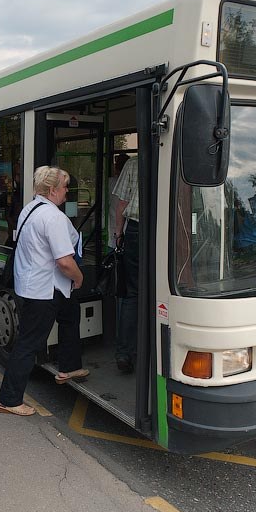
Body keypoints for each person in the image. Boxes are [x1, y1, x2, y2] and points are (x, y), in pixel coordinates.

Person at [0, 166, 87, 416]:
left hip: (40, 286)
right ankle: (8, 400)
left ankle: (69, 366)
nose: (68, 191)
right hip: (43, 290)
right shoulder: (53, 217)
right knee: (28, 344)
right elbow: (65, 262)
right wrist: (79, 278)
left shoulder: (29, 209)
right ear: (53, 189)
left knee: (70, 315)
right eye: (65, 186)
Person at [112, 155, 139, 374]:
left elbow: (122, 203)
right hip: (171, 231)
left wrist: (118, 234)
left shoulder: (134, 163)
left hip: (136, 231)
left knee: (133, 294)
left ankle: (125, 353)